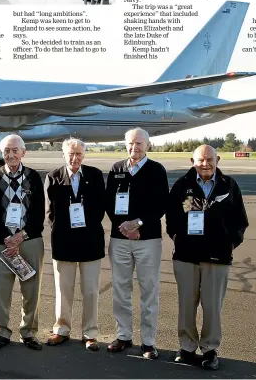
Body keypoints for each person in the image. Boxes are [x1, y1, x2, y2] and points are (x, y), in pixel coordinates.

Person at [166, 145, 248, 370]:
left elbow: (240, 220)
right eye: (201, 160)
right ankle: (187, 347)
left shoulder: (229, 185)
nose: (205, 164)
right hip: (186, 256)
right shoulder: (182, 185)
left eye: (210, 159)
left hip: (217, 257)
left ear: (217, 159)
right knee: (186, 305)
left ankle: (210, 350)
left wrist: (229, 243)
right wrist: (177, 237)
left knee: (212, 307)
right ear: (193, 160)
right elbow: (171, 216)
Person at [105, 127, 169, 359]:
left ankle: (148, 342)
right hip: (120, 238)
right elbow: (109, 202)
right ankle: (123, 336)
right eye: (131, 143)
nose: (135, 147)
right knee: (121, 289)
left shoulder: (157, 170)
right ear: (126, 145)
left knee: (149, 291)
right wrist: (124, 227)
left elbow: (161, 205)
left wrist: (138, 224)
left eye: (139, 143)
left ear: (148, 145)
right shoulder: (117, 169)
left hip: (147, 240)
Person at [44, 138, 106, 350]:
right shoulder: (53, 177)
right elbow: (50, 213)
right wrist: (67, 229)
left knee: (90, 291)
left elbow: (99, 209)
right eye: (71, 154)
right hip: (63, 241)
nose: (75, 158)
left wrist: (82, 227)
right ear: (63, 154)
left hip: (90, 241)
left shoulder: (95, 175)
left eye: (79, 154)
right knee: (63, 291)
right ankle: (62, 330)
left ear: (84, 155)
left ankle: (90, 333)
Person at [0, 135, 45, 351]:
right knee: (2, 289)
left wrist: (21, 236)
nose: (10, 155)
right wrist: (7, 239)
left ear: (23, 152)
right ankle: (2, 331)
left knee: (31, 289)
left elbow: (39, 214)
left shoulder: (34, 177)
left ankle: (28, 332)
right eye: (6, 151)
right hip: (2, 242)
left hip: (29, 240)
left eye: (15, 150)